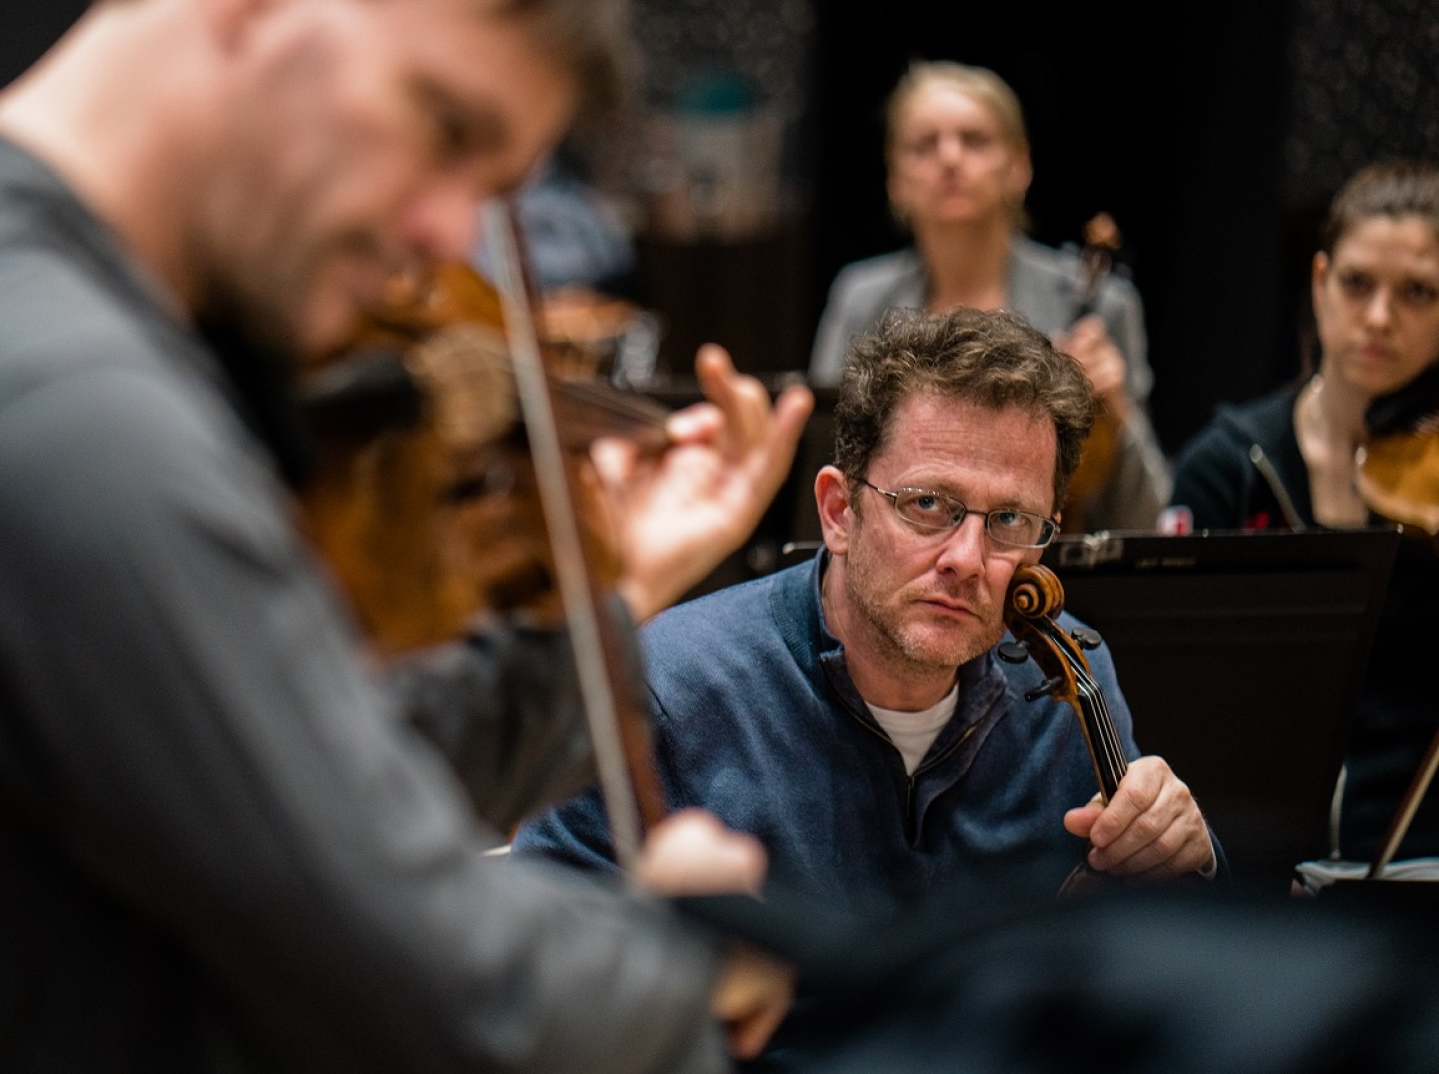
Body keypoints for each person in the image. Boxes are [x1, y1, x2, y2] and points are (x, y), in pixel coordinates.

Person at [0, 0, 820, 1069]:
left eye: (491, 190)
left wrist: (623, 589)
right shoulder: (58, 406)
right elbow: (433, 994)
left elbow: (295, 772)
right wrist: (689, 961)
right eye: (445, 125)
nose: (448, 236)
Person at [515, 306, 1223, 1067]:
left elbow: (1135, 974)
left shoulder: (1071, 681)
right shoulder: (663, 685)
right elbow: (528, 977)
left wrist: (1185, 858)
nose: (966, 558)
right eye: (928, 505)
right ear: (838, 512)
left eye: (1010, 520)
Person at [1168, 157, 1439, 866]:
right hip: (1251, 859)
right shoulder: (1227, 466)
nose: (1378, 317)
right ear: (1319, 282)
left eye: (1417, 292)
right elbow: (1175, 698)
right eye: (1357, 283)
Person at [807, 60, 1171, 534]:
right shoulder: (860, 297)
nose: (950, 158)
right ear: (895, 177)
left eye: (975, 140)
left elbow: (1148, 516)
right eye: (924, 145)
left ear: (1019, 166)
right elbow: (828, 474)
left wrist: (1117, 415)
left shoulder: (1102, 304)